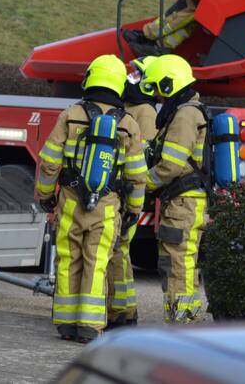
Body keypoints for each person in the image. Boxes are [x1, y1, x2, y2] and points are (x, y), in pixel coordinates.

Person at [34, 55, 146, 344]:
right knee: (97, 262)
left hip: (70, 200)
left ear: (90, 78)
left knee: (68, 259)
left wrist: (46, 196)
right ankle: (89, 326)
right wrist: (134, 209)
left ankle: (66, 324)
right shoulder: (129, 124)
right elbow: (137, 175)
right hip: (108, 206)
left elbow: (49, 162)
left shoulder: (71, 114)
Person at [140, 54, 208, 323]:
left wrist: (142, 184)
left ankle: (181, 324)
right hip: (184, 202)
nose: (157, 96)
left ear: (169, 85)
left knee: (175, 263)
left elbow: (170, 165)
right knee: (183, 263)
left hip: (183, 204)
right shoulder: (187, 111)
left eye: (158, 88)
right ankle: (187, 320)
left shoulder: (185, 114)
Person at [105, 56, 157, 329]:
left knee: (118, 251)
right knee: (119, 252)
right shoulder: (131, 107)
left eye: (137, 74)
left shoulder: (144, 111)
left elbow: (140, 156)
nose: (131, 77)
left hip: (126, 192)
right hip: (124, 191)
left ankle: (121, 312)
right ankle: (124, 311)